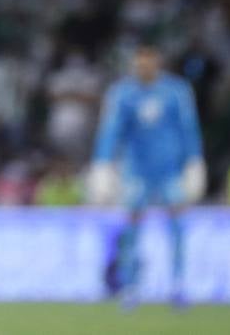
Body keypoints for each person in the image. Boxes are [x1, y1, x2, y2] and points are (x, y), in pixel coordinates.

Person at [89, 41, 205, 309]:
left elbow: (188, 128)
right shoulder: (122, 93)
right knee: (131, 227)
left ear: (158, 61)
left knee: (176, 224)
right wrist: (103, 163)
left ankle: (178, 284)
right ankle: (130, 286)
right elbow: (110, 130)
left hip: (169, 169)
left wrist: (194, 161)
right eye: (139, 62)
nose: (143, 67)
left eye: (148, 61)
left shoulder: (177, 91)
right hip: (136, 169)